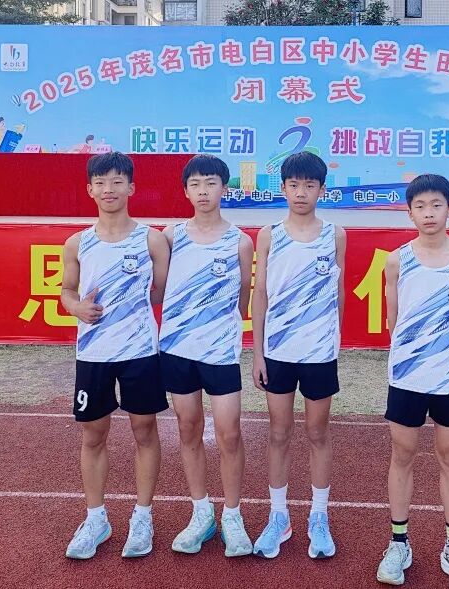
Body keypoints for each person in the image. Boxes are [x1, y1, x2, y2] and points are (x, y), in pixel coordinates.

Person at [60, 152, 171, 560]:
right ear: (90, 189)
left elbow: (160, 293)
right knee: (93, 434)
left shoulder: (151, 240)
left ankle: (143, 516)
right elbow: (66, 291)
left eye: (117, 181)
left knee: (145, 430)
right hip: (93, 354)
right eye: (101, 182)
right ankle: (96, 519)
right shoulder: (77, 242)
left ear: (131, 187)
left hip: (141, 352)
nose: (109, 189)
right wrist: (76, 307)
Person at [376, 174, 449, 589]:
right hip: (407, 377)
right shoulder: (397, 261)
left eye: (436, 205)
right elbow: (393, 320)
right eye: (420, 206)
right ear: (410, 213)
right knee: (402, 454)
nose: (429, 213)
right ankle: (398, 543)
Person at [251, 151, 347, 559]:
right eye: (294, 185)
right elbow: (260, 293)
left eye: (310, 185)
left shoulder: (335, 235)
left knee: (318, 433)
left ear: (321, 189)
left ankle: (318, 516)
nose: (301, 192)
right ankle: (279, 516)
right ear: (284, 188)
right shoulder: (269, 234)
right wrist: (258, 352)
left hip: (319, 353)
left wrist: (332, 340)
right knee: (278, 432)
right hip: (278, 351)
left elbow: (338, 292)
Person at [159, 155, 255, 557]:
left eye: (211, 183)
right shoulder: (169, 237)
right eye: (196, 184)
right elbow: (158, 288)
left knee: (230, 432)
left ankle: (232, 515)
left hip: (220, 352)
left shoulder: (240, 241)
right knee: (188, 428)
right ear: (185, 191)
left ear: (224, 189)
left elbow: (244, 297)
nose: (203, 191)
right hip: (177, 350)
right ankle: (201, 513)